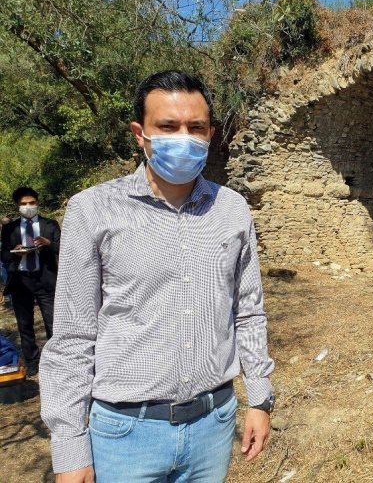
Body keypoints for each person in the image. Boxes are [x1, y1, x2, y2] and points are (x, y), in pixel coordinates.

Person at [39, 70, 275, 483]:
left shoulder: (232, 209)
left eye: (195, 127)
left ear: (210, 134)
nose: (184, 137)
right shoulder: (93, 210)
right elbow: (73, 337)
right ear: (140, 133)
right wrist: (70, 448)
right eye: (168, 126)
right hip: (125, 435)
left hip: (213, 425)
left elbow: (248, 311)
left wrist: (259, 397)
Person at [0, 189, 60, 376]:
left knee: (53, 322)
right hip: (21, 280)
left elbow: (63, 248)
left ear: (37, 202)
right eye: (24, 204)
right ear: (17, 205)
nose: (28, 207)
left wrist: (48, 243)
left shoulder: (50, 224)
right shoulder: (10, 229)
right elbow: (4, 255)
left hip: (46, 279)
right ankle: (32, 361)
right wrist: (15, 252)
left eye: (31, 202)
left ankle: (56, 359)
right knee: (25, 324)